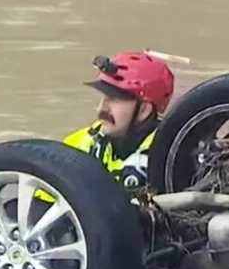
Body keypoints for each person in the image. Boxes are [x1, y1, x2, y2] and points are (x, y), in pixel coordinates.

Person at [62, 51, 176, 190]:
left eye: (114, 99)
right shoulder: (81, 143)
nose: (102, 108)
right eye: (104, 97)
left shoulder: (170, 160)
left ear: (143, 110)